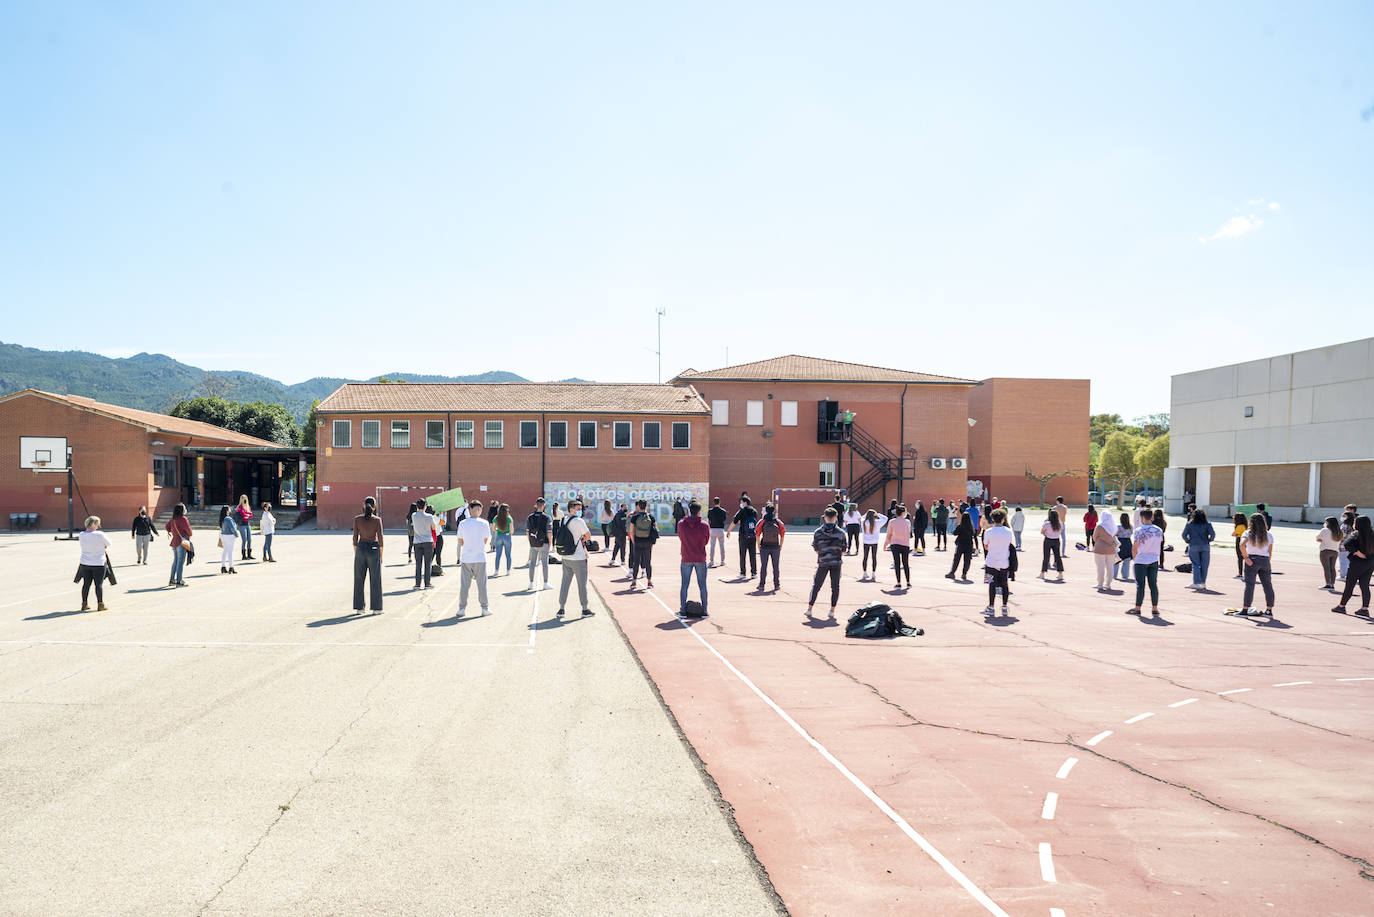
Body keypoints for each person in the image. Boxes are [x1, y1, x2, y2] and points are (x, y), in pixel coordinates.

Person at [806, 507, 847, 619]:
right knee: (835, 587)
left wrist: (824, 555)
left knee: (816, 586)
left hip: (823, 562)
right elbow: (843, 550)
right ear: (836, 518)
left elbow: (816, 549)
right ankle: (832, 610)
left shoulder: (818, 532)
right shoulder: (842, 533)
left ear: (824, 518)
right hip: (836, 562)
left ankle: (810, 609)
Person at [556, 499, 594, 618]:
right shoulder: (579, 521)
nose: (580, 510)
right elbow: (588, 536)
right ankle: (584, 609)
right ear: (571, 508)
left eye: (580, 508)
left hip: (566, 556)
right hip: (578, 557)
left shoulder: (563, 520)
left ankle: (561, 609)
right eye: (577, 508)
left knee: (565, 583)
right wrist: (582, 538)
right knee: (581, 584)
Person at [1331, 515, 1373, 617]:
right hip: (1370, 562)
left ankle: (1342, 606)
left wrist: (1357, 552)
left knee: (1350, 585)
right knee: (1365, 586)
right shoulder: (1372, 534)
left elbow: (1346, 544)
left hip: (1358, 563)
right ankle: (1364, 609)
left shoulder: (1356, 534)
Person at [1236, 513, 1276, 617]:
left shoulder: (1248, 533)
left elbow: (1241, 545)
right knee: (1267, 585)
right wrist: (1267, 560)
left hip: (1253, 559)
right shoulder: (1268, 534)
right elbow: (1270, 551)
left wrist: (1246, 558)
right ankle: (1269, 610)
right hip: (1265, 560)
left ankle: (1245, 609)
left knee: (1250, 585)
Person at [457, 499, 492, 615]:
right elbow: (486, 540)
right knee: (482, 585)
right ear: (479, 510)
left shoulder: (462, 523)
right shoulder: (484, 523)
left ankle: (462, 609)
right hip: (480, 558)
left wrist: (468, 546)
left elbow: (461, 541)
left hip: (466, 558)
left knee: (464, 585)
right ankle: (484, 608)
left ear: (469, 510)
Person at [1128, 508, 1164, 616]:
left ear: (1142, 518)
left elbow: (1135, 547)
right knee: (1153, 584)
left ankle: (1138, 608)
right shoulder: (1159, 530)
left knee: (1140, 585)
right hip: (1153, 559)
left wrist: (1135, 558)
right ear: (1152, 517)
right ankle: (1155, 608)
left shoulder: (1139, 530)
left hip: (1141, 559)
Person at [351, 497, 384, 614]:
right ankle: (377, 608)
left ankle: (359, 608)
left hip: (360, 549)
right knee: (375, 579)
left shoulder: (357, 519)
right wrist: (381, 555)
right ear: (374, 507)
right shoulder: (377, 520)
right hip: (373, 549)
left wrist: (357, 552)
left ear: (363, 505)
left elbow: (355, 538)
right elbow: (380, 539)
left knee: (359, 579)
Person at [677, 500, 710, 616]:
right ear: (699, 511)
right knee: (702, 585)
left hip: (686, 557)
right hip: (700, 557)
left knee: (684, 584)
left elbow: (680, 537)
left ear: (689, 510)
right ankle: (705, 610)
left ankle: (683, 610)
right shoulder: (705, 525)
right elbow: (706, 541)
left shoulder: (681, 524)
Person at [982, 509, 1015, 614]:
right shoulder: (1009, 531)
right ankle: (1004, 607)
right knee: (1005, 584)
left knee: (991, 584)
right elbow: (1010, 544)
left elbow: (986, 546)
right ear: (1003, 519)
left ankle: (991, 607)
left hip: (990, 562)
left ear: (992, 519)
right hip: (1004, 563)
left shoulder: (988, 532)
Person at [76, 515, 112, 611]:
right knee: (98, 584)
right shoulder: (100, 534)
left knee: (86, 584)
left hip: (85, 563)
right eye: (98, 524)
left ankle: (84, 603)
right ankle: (100, 604)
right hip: (98, 563)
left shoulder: (81, 534)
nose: (98, 526)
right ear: (94, 524)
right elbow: (109, 543)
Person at [1181, 509, 1215, 590]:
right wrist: (1209, 540)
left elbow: (1184, 534)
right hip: (1205, 545)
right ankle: (1203, 582)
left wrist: (1188, 541)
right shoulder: (1208, 523)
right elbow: (1212, 534)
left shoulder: (1189, 524)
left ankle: (1196, 582)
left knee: (1196, 564)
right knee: (1205, 565)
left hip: (1193, 545)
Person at [628, 499, 659, 590]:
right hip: (648, 542)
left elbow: (631, 531)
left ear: (638, 506)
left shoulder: (635, 517)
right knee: (648, 562)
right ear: (646, 506)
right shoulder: (651, 517)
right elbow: (655, 529)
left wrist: (634, 542)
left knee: (636, 562)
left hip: (638, 541)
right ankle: (649, 582)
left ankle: (634, 582)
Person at [755, 502, 786, 592]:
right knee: (775, 566)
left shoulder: (762, 521)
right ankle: (776, 584)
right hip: (775, 546)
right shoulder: (778, 521)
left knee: (763, 566)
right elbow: (783, 533)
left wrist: (758, 545)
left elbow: (757, 534)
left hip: (764, 546)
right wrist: (781, 545)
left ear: (766, 511)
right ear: (774, 511)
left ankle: (762, 585)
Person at [728, 496, 760, 579]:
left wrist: (728, 530)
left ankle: (743, 573)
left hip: (743, 535)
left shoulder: (742, 511)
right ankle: (754, 573)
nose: (741, 504)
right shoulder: (754, 511)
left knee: (743, 554)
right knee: (752, 554)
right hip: (752, 535)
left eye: (742, 502)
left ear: (745, 502)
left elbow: (734, 522)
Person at [526, 498, 552, 590]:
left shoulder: (530, 517)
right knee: (545, 564)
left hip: (533, 543)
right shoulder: (547, 517)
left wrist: (530, 542)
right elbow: (549, 532)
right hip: (544, 542)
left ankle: (531, 583)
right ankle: (545, 584)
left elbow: (527, 532)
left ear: (536, 505)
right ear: (544, 505)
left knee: (532, 564)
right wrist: (550, 543)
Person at [884, 505, 911, 589]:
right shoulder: (907, 522)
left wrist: (885, 544)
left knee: (897, 563)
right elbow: (909, 532)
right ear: (903, 513)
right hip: (905, 544)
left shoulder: (892, 522)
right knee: (905, 563)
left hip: (895, 544)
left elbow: (889, 534)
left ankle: (898, 583)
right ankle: (908, 582)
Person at [165, 503, 192, 587]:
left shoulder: (173, 519)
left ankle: (172, 579)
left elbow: (167, 527)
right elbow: (189, 531)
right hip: (182, 542)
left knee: (175, 561)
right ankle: (179, 581)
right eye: (184, 508)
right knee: (180, 562)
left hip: (174, 541)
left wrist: (172, 532)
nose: (185, 510)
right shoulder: (183, 519)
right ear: (181, 510)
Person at [410, 501, 436, 589]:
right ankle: (427, 584)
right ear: (425, 506)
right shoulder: (429, 516)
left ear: (417, 506)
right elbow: (433, 527)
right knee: (427, 563)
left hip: (417, 542)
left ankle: (417, 584)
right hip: (428, 541)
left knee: (418, 564)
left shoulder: (413, 515)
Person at [945, 511, 977, 581]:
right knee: (967, 560)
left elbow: (955, 533)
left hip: (961, 544)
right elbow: (974, 535)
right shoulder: (971, 527)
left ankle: (952, 572)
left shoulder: (961, 526)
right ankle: (964, 573)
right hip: (969, 544)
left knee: (956, 559)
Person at [1091, 508, 1118, 591]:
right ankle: (1108, 584)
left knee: (1100, 567)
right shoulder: (1114, 527)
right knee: (1110, 567)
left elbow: (1094, 537)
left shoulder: (1100, 526)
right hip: (1111, 549)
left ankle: (1100, 584)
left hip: (1100, 549)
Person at [859, 508, 888, 581]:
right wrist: (877, 514)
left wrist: (867, 513)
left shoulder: (863, 522)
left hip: (866, 542)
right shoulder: (877, 522)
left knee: (865, 557)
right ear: (874, 515)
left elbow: (862, 517)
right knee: (874, 557)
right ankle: (873, 573)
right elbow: (886, 518)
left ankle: (865, 573)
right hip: (874, 542)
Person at [1317, 516, 1342, 591]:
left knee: (1326, 568)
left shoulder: (1325, 530)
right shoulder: (1339, 531)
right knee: (1332, 568)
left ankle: (1328, 584)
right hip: (1335, 551)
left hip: (1325, 551)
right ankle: (1332, 584)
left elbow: (1318, 539)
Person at [1039, 510, 1063, 580]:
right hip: (1056, 540)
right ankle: (1060, 573)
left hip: (1048, 540)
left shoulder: (1047, 523)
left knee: (1046, 556)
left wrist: (1046, 534)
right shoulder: (1060, 524)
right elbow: (1061, 531)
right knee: (1058, 556)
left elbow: (1042, 532)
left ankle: (1043, 573)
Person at [491, 503, 513, 575]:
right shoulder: (509, 518)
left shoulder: (496, 518)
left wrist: (498, 530)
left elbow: (493, 529)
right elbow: (512, 530)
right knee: (508, 555)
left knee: (498, 555)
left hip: (499, 536)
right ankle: (508, 571)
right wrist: (508, 533)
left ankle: (496, 571)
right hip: (507, 536)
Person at [706, 497, 729, 567]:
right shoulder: (723, 511)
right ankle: (722, 561)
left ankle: (711, 560)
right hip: (720, 529)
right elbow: (724, 519)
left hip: (713, 529)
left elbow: (709, 518)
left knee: (712, 546)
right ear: (719, 502)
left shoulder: (710, 511)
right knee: (722, 546)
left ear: (714, 502)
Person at [1338, 507, 1357, 581]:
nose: (1342, 517)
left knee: (1343, 561)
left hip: (1343, 546)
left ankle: (1343, 576)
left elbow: (1342, 535)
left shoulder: (1344, 526)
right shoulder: (1353, 525)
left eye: (1344, 516)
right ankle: (1349, 575)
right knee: (1349, 561)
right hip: (1351, 545)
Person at [219, 505, 238, 574]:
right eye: (229, 509)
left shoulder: (222, 519)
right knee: (230, 552)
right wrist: (236, 534)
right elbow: (232, 528)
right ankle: (231, 567)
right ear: (227, 511)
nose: (230, 510)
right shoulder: (228, 519)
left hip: (223, 536)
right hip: (230, 536)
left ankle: (223, 566)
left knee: (225, 551)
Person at [1115, 513, 1134, 582]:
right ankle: (1125, 575)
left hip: (1120, 543)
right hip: (1128, 543)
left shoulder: (1119, 526)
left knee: (1116, 560)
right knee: (1127, 561)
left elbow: (1115, 534)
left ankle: (1114, 575)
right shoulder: (1131, 527)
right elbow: (1131, 533)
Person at [235, 495, 254, 560]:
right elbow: (243, 514)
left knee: (250, 539)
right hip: (241, 525)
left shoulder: (248, 506)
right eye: (243, 499)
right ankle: (243, 555)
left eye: (245, 498)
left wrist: (247, 515)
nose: (244, 500)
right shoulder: (240, 507)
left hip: (247, 524)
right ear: (241, 499)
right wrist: (247, 514)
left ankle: (249, 554)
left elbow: (251, 515)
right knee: (244, 540)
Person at [1231, 512, 1248, 579]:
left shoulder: (1239, 526)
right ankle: (1246, 573)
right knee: (1245, 556)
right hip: (1245, 541)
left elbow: (1233, 534)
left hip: (1239, 541)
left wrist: (1236, 534)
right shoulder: (1245, 526)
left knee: (1240, 558)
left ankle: (1240, 573)